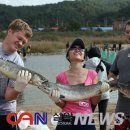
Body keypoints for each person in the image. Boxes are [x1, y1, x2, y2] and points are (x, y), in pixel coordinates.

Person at [49, 38, 106, 130]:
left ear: (84, 56)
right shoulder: (60, 77)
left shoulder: (92, 74)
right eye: (73, 48)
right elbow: (63, 104)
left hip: (86, 117)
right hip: (66, 117)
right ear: (68, 55)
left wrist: (100, 91)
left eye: (81, 48)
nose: (77, 49)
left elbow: (94, 102)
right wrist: (56, 100)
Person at [0, 19, 32, 130]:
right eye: (19, 39)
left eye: (24, 42)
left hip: (5, 113)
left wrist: (18, 89)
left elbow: (8, 97)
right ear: (9, 32)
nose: (21, 44)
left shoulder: (19, 63)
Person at [109, 20, 130, 130]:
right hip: (121, 111)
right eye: (127, 32)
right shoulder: (121, 54)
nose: (129, 34)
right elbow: (112, 73)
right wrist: (112, 81)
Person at [84, 47, 110, 130]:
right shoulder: (104, 63)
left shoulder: (85, 64)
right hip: (104, 93)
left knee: (88, 114)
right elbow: (114, 71)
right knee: (103, 115)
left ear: (89, 55)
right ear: (99, 55)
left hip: (91, 94)